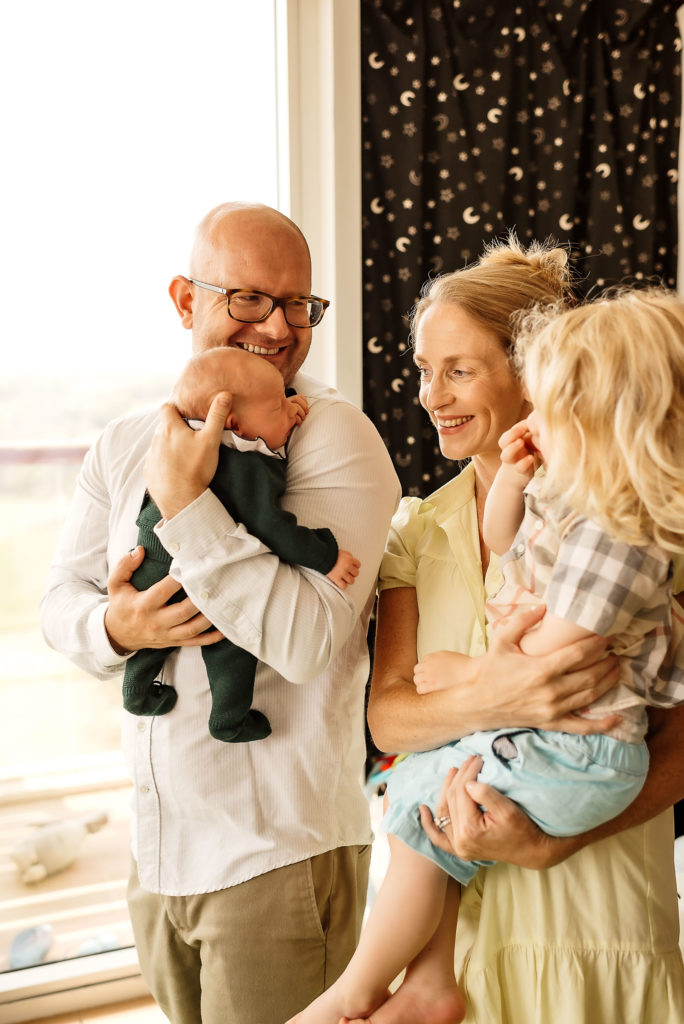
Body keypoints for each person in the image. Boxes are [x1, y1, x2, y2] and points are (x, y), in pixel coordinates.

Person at [40, 202, 402, 1024]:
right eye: (248, 298)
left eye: (297, 304)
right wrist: (117, 629)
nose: (278, 326)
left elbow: (309, 642)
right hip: (159, 853)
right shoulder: (124, 442)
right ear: (184, 300)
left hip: (278, 855)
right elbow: (61, 601)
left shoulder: (330, 437)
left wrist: (184, 503)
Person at [287, 285, 684, 1024]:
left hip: (598, 923)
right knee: (412, 796)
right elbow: (392, 724)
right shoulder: (417, 527)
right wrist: (505, 693)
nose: (432, 396)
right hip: (467, 935)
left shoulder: (645, 518)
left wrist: (550, 845)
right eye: (423, 370)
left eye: (459, 370)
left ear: (534, 374)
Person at [122, 345, 361, 742]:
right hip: (188, 572)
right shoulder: (248, 468)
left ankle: (136, 690)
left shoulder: (174, 448)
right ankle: (228, 718)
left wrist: (281, 410)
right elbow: (273, 527)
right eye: (278, 406)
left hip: (149, 555)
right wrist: (326, 555)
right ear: (234, 422)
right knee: (233, 639)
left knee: (152, 638)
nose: (291, 410)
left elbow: (263, 421)